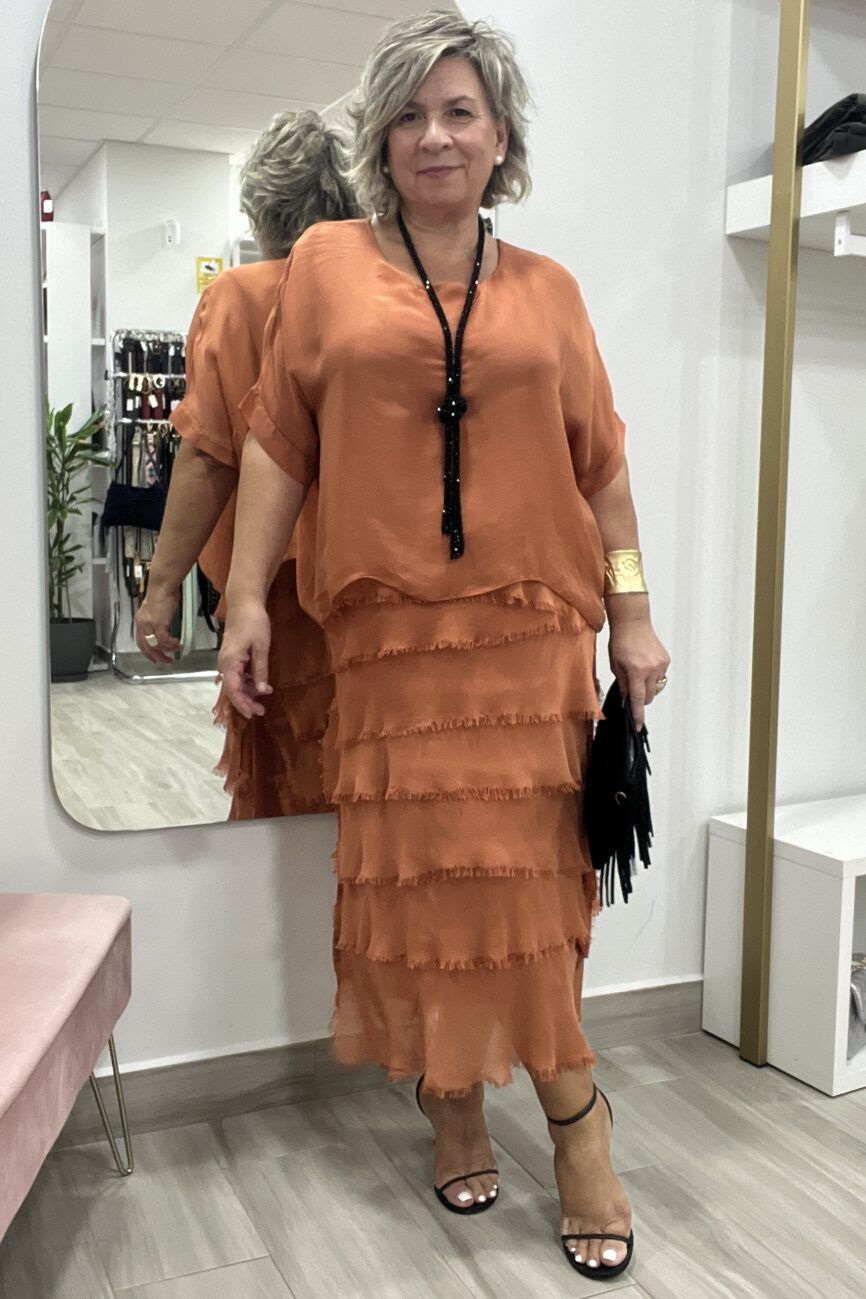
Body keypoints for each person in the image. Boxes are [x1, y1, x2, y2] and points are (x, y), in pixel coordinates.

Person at [220, 10, 670, 1280]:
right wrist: (244, 597)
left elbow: (602, 472)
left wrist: (632, 610)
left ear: (500, 136)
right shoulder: (322, 266)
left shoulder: (549, 291)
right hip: (386, 647)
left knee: (530, 893)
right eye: (409, 115)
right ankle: (451, 1099)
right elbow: (275, 442)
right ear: (378, 140)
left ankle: (575, 1122)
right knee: (414, 889)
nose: (434, 135)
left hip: (526, 644)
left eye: (459, 111)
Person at [134, 111, 358, 818]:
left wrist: (160, 587)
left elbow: (208, 457)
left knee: (290, 782)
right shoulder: (376, 293)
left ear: (262, 207)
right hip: (367, 572)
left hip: (278, 581)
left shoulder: (237, 297)